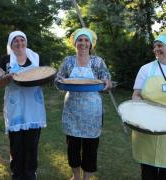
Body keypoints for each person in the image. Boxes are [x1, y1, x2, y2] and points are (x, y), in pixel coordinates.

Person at [55, 28, 112, 180]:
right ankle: (76, 176)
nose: (83, 43)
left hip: (92, 110)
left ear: (91, 43)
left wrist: (107, 83)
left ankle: (86, 177)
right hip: (72, 109)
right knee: (72, 146)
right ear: (75, 43)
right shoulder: (68, 61)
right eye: (80, 40)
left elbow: (106, 78)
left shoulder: (97, 61)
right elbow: (59, 78)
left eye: (86, 40)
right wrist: (59, 81)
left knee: (90, 147)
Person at [132, 32, 166, 180]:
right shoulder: (146, 69)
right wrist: (138, 107)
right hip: (147, 130)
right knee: (148, 173)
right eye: (154, 46)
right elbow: (136, 94)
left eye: (160, 45)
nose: (156, 48)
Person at [0, 30, 46, 180]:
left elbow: (44, 75)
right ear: (11, 44)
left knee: (32, 145)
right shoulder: (5, 60)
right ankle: (17, 175)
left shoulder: (36, 58)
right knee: (16, 146)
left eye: (22, 40)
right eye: (15, 40)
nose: (19, 43)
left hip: (33, 107)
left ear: (26, 42)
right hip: (15, 107)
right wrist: (7, 77)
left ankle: (30, 174)